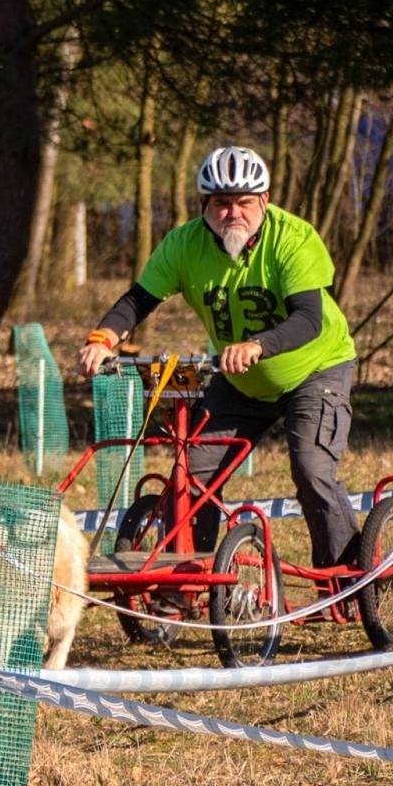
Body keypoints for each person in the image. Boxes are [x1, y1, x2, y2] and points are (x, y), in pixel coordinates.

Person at [78, 145, 359, 569]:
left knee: (311, 469)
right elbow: (137, 301)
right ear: (202, 205)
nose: (234, 214)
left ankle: (343, 579)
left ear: (263, 201)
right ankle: (189, 578)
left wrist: (257, 345)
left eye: (245, 202)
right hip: (242, 381)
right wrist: (102, 339)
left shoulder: (294, 238)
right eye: (222, 204)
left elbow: (309, 319)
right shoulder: (183, 244)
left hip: (315, 370)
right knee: (191, 473)